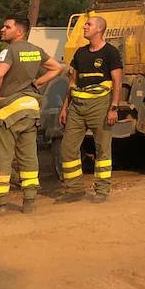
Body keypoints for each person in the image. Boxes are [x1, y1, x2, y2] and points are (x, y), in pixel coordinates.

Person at [0, 15, 63, 216]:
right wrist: (37, 84)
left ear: (19, 31)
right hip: (30, 109)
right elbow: (57, 67)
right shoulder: (35, 51)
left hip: (8, 109)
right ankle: (29, 201)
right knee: (29, 157)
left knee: (3, 157)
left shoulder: (9, 51)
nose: (2, 29)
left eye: (7, 26)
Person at [59, 14, 123, 202]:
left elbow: (117, 82)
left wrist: (114, 108)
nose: (84, 26)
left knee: (102, 149)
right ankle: (74, 190)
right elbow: (72, 82)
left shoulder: (110, 52)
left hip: (100, 105)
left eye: (89, 24)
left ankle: (102, 191)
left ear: (99, 29)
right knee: (68, 147)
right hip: (77, 108)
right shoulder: (80, 53)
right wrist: (65, 107)